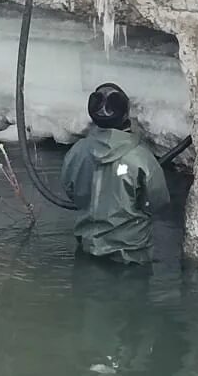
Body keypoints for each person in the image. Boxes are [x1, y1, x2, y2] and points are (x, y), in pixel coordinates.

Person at [59, 82, 170, 265]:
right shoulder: (141, 158)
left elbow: (70, 189)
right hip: (130, 255)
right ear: (125, 114)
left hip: (87, 249)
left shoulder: (77, 152)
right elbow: (157, 202)